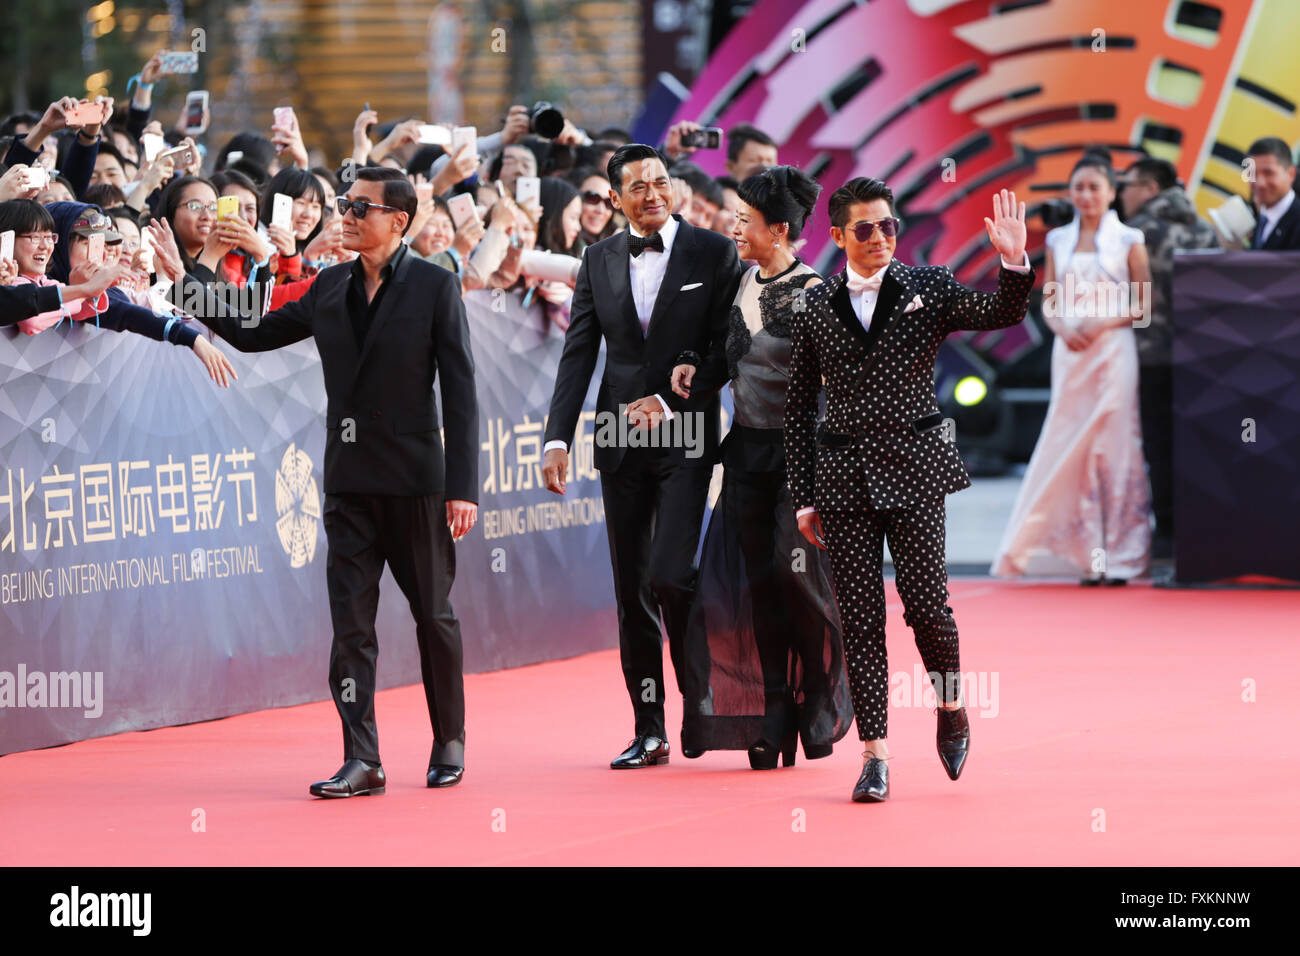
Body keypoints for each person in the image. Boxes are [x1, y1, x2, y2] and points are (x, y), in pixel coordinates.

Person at [163, 166, 480, 797]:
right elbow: (253, 334)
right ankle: (363, 757)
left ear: (399, 219)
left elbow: (462, 393)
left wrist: (462, 487)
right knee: (351, 629)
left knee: (433, 617)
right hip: (348, 484)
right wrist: (191, 278)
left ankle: (449, 739)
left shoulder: (436, 287)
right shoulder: (328, 285)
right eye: (346, 204)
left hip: (417, 483)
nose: (348, 214)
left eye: (362, 207)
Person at [785, 178, 1034, 802]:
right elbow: (797, 409)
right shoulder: (814, 308)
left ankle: (950, 706)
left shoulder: (928, 286)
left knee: (927, 607)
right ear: (838, 237)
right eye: (864, 229)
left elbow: (1000, 313)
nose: (879, 239)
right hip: (843, 481)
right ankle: (875, 755)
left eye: (888, 226)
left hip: (917, 470)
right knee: (861, 620)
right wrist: (804, 495)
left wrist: (1012, 261)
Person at [541, 143, 745, 769]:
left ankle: (701, 696)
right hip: (619, 437)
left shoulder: (714, 252)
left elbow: (726, 347)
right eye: (639, 187)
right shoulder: (597, 259)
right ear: (616, 197)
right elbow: (579, 354)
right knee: (631, 589)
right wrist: (557, 437)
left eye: (661, 182)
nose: (653, 193)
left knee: (670, 574)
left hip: (685, 434)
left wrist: (672, 393)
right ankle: (648, 728)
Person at [671, 165, 852, 769]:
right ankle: (772, 710)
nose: (733, 227)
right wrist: (694, 371)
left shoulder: (818, 294)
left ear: (778, 231)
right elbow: (730, 360)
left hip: (802, 461)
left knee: (793, 577)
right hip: (744, 454)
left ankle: (813, 702)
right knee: (755, 587)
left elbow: (836, 387)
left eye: (745, 221)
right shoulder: (740, 282)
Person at [993, 151, 1152, 585]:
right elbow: (1050, 300)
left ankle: (1122, 556)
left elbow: (1144, 305)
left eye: (1094, 188)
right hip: (1071, 352)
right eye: (1079, 188)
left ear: (1111, 193)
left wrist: (1103, 322)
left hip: (1114, 350)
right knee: (1070, 446)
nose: (1085, 196)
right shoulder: (1059, 240)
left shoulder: (1130, 239)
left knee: (1115, 445)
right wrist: (1062, 327)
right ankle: (1085, 555)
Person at [1118, 157, 1219, 560]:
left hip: (1150, 356)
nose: (1121, 193)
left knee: (1158, 448)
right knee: (1197, 447)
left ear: (1151, 189)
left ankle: (1166, 535)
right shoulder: (1205, 230)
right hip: (1202, 360)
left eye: (1128, 185)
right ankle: (1200, 532)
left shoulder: (1136, 234)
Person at [1245, 137, 1300, 250]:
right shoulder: (1260, 217)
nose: (1260, 183)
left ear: (1291, 174)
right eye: (1253, 174)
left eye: (1268, 173)